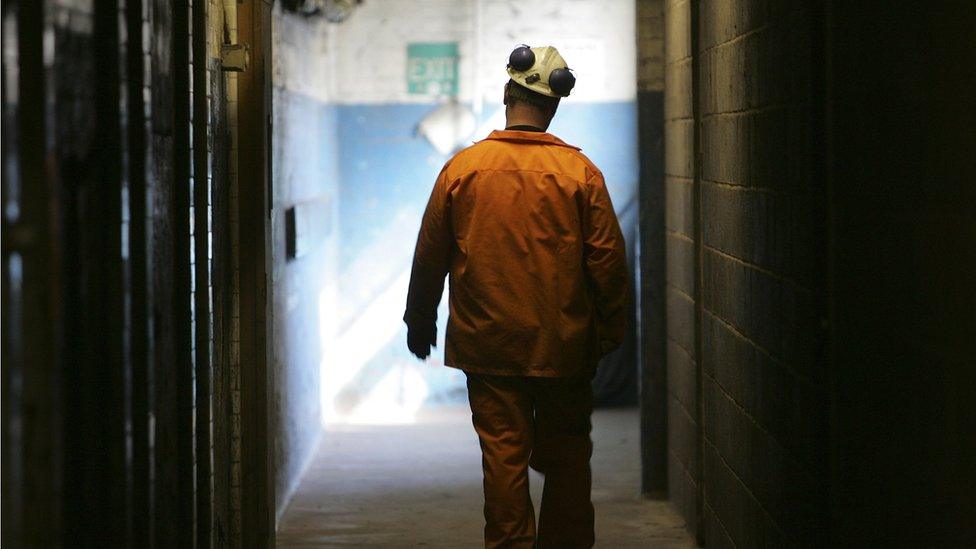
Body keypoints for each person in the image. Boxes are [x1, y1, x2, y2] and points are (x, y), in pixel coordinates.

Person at [403, 45, 629, 549]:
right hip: (564, 348)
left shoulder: (464, 169)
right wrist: (607, 335)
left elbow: (429, 256)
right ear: (552, 107)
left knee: (504, 463)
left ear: (507, 93)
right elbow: (608, 264)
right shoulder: (580, 174)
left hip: (490, 348)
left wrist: (420, 321)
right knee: (568, 459)